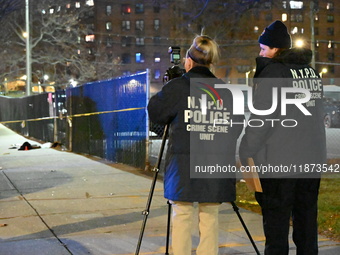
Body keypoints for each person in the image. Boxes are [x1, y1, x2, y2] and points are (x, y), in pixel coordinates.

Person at [148, 35, 244, 255]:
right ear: (210, 63)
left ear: (188, 61)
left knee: (181, 216)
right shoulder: (226, 92)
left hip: (183, 167)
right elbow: (236, 127)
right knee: (209, 217)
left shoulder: (178, 88)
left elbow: (155, 112)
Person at [239, 20, 327, 255]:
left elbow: (261, 120)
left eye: (263, 49)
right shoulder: (311, 72)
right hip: (311, 160)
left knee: (277, 225)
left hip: (280, 162)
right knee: (307, 221)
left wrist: (246, 150)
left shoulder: (274, 73)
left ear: (276, 49)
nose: (261, 53)